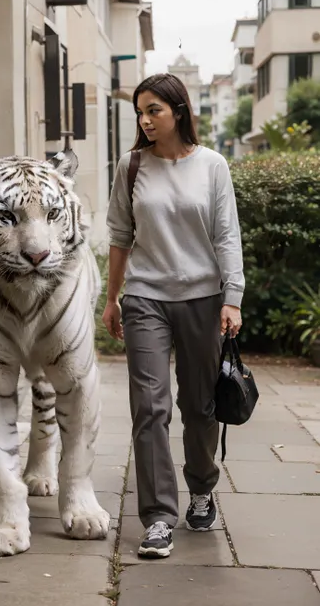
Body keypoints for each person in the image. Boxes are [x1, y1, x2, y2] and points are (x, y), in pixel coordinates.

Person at [102, 73, 244, 559]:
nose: (143, 120)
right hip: (145, 299)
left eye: (153, 110)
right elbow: (120, 236)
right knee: (150, 407)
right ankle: (158, 517)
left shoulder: (212, 165)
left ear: (179, 111)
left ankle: (202, 488)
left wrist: (233, 297)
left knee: (200, 406)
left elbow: (227, 235)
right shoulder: (131, 166)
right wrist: (112, 298)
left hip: (204, 298)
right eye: (139, 111)